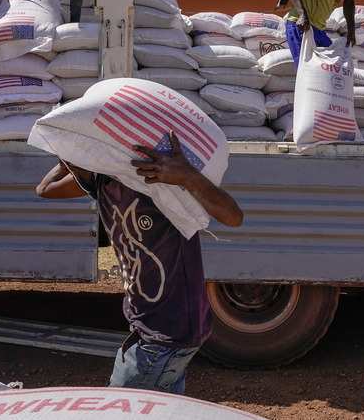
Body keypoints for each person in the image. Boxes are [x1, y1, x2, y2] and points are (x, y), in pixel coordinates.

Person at [36, 130, 244, 395]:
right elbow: (45, 189)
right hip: (145, 325)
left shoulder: (155, 179)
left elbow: (234, 217)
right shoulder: (101, 180)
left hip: (168, 330)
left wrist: (188, 176)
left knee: (122, 409)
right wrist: (68, 155)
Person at [282, 0, 364, 67]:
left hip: (320, 29)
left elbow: (349, 1)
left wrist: (351, 30)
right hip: (301, 26)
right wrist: (302, 13)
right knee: (307, 70)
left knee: (332, 69)